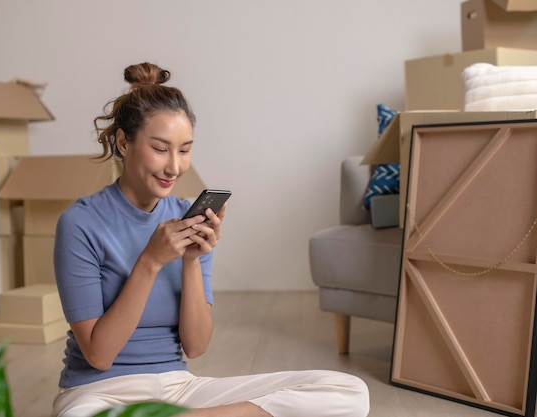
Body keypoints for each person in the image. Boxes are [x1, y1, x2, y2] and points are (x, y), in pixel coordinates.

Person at [51, 62, 370, 417]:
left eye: (184, 150)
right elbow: (99, 355)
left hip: (179, 389)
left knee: (348, 391)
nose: (175, 166)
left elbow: (197, 346)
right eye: (160, 149)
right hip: (99, 395)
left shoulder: (187, 218)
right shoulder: (80, 223)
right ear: (124, 143)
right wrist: (151, 261)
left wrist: (190, 260)